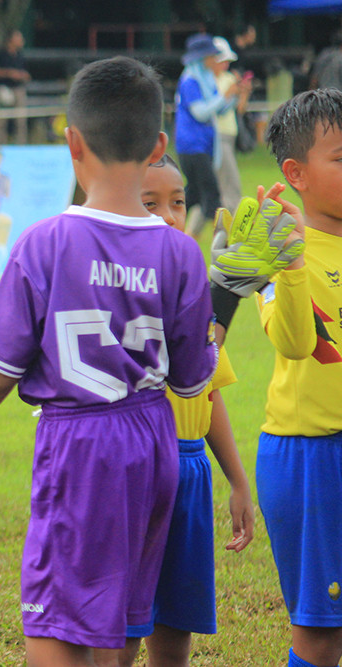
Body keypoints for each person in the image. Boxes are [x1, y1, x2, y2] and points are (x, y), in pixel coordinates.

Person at [0, 56, 225, 667]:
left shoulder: (45, 243)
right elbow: (191, 379)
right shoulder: (182, 254)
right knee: (122, 617)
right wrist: (225, 297)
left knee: (55, 624)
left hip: (80, 444)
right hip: (153, 440)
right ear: (159, 144)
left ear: (72, 142)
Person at [95, 155, 255, 667]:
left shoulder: (191, 285)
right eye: (151, 203)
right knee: (120, 633)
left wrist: (237, 480)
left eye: (178, 202)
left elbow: (208, 390)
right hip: (136, 465)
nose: (169, 215)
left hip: (190, 470)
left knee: (175, 628)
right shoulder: (113, 286)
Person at [259, 87, 342, 667]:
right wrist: (288, 266)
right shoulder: (274, 251)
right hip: (314, 456)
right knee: (321, 634)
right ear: (297, 173)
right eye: (340, 157)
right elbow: (294, 341)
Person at [174, 33, 243, 237]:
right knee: (211, 193)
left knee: (194, 193)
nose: (215, 59)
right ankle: (221, 239)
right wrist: (224, 96)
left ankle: (174, 229)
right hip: (191, 146)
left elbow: (218, 110)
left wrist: (233, 95)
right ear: (202, 57)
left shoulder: (206, 79)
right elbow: (200, 112)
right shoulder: (189, 81)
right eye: (212, 56)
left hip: (204, 145)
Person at [213, 37, 253, 210]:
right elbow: (214, 108)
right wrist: (230, 92)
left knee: (223, 183)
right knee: (230, 184)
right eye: (222, 61)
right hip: (218, 135)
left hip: (230, 135)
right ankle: (232, 224)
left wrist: (244, 92)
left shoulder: (229, 77)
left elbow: (240, 109)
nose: (225, 65)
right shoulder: (208, 81)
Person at [0, 29, 31, 144]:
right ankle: (0, 144)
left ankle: (21, 145)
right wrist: (9, 73)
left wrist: (22, 76)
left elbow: (26, 74)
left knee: (20, 119)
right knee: (1, 120)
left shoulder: (20, 55)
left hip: (18, 89)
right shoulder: (1, 54)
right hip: (4, 89)